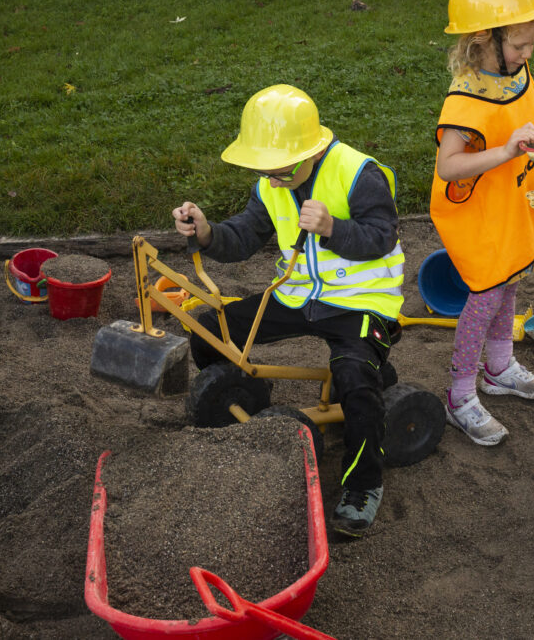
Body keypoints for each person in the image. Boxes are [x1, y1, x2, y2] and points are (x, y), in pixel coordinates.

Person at [172, 84, 404, 537]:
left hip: (360, 299)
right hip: (298, 293)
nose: (268, 178)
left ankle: (362, 486)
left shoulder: (359, 173)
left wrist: (333, 228)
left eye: (275, 169)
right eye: (262, 167)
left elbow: (383, 237)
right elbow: (243, 235)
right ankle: (237, 397)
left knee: (355, 380)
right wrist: (205, 232)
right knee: (210, 330)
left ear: (307, 151)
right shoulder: (271, 180)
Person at [430, 0, 534, 446]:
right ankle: (461, 394)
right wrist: (507, 150)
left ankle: (499, 367)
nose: (529, 52)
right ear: (481, 41)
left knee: (510, 279)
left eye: (531, 42)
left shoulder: (514, 70)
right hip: (479, 213)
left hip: (510, 203)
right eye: (520, 43)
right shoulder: (465, 102)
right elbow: (449, 167)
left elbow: (521, 114)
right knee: (485, 294)